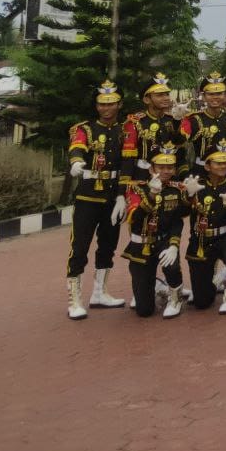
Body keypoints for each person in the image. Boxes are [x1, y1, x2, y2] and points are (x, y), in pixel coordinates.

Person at [65, 80, 137, 319]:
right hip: (88, 197)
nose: (107, 109)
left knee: (108, 245)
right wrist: (76, 161)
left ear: (119, 104)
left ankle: (99, 292)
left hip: (111, 198)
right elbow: (77, 146)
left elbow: (127, 163)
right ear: (96, 106)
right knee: (80, 247)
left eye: (112, 104)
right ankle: (74, 299)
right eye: (102, 104)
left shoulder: (124, 131)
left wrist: (121, 196)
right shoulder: (85, 129)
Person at [121, 151, 186, 319]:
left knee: (171, 267)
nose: (165, 171)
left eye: (170, 168)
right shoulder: (136, 188)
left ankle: (175, 297)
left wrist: (174, 245)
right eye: (161, 167)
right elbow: (134, 218)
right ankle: (156, 286)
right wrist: (151, 195)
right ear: (151, 169)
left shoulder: (176, 189)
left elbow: (177, 221)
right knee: (144, 311)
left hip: (163, 240)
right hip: (140, 245)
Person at [182, 149, 226, 313]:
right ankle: (216, 280)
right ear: (208, 166)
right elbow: (182, 212)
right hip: (200, 240)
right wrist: (189, 196)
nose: (223, 166)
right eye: (218, 163)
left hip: (223, 236)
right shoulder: (196, 184)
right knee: (201, 303)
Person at [181, 72, 226, 176]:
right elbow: (179, 142)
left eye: (219, 93)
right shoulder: (194, 120)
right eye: (211, 94)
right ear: (203, 97)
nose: (215, 97)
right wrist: (177, 121)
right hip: (202, 172)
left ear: (225, 95)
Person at [132, 73, 188, 177]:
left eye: (167, 94)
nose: (166, 98)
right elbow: (128, 158)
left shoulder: (173, 120)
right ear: (147, 99)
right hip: (143, 177)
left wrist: (185, 177)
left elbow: (181, 154)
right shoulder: (137, 122)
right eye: (160, 95)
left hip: (169, 177)